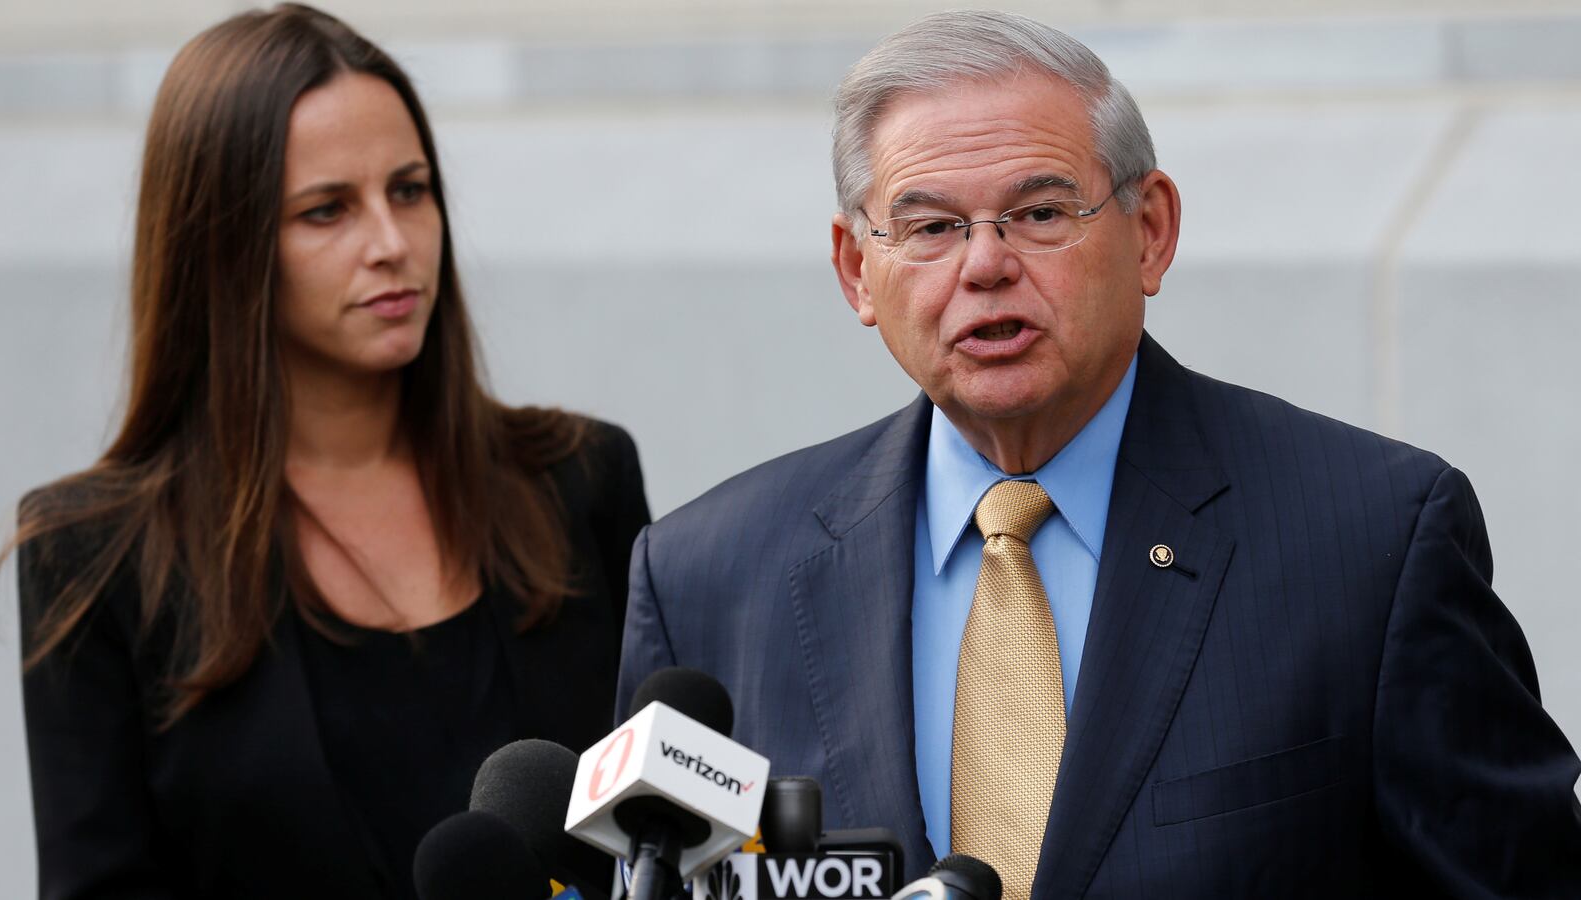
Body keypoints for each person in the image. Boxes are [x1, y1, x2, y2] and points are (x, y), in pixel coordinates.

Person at [616, 10, 1581, 899]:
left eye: (1039, 213)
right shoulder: (709, 576)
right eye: (930, 227)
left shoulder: (1372, 542)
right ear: (855, 270)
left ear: (1150, 231)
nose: (984, 263)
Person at [2, 5, 649, 898]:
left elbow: (668, 840)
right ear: (219, 247)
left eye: (410, 190)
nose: (391, 244)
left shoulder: (578, 481)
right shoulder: (93, 555)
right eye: (326, 210)